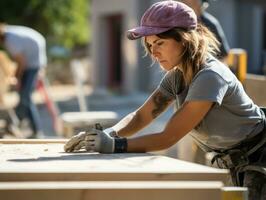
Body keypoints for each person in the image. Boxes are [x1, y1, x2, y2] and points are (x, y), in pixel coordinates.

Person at [64, 1, 266, 199]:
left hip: (259, 158)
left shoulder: (210, 76)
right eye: (150, 45)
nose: (153, 52)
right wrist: (105, 134)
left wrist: (114, 146)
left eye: (160, 43)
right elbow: (141, 116)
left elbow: (168, 137)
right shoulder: (177, 76)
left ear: (185, 39)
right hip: (236, 161)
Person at [0, 23, 47, 138]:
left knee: (26, 96)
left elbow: (22, 62)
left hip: (33, 63)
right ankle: (13, 123)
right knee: (23, 96)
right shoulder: (9, 35)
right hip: (33, 59)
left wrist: (17, 77)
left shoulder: (11, 41)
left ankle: (36, 131)